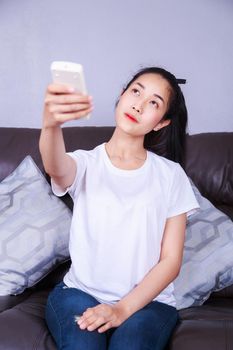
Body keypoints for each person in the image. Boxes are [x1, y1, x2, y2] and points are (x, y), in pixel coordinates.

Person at [39, 66, 200, 350]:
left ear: (161, 122)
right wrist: (51, 125)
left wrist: (121, 310)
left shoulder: (171, 175)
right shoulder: (86, 163)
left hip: (149, 303)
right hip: (79, 293)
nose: (138, 104)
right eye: (136, 91)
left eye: (153, 102)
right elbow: (55, 166)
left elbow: (171, 261)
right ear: (122, 95)